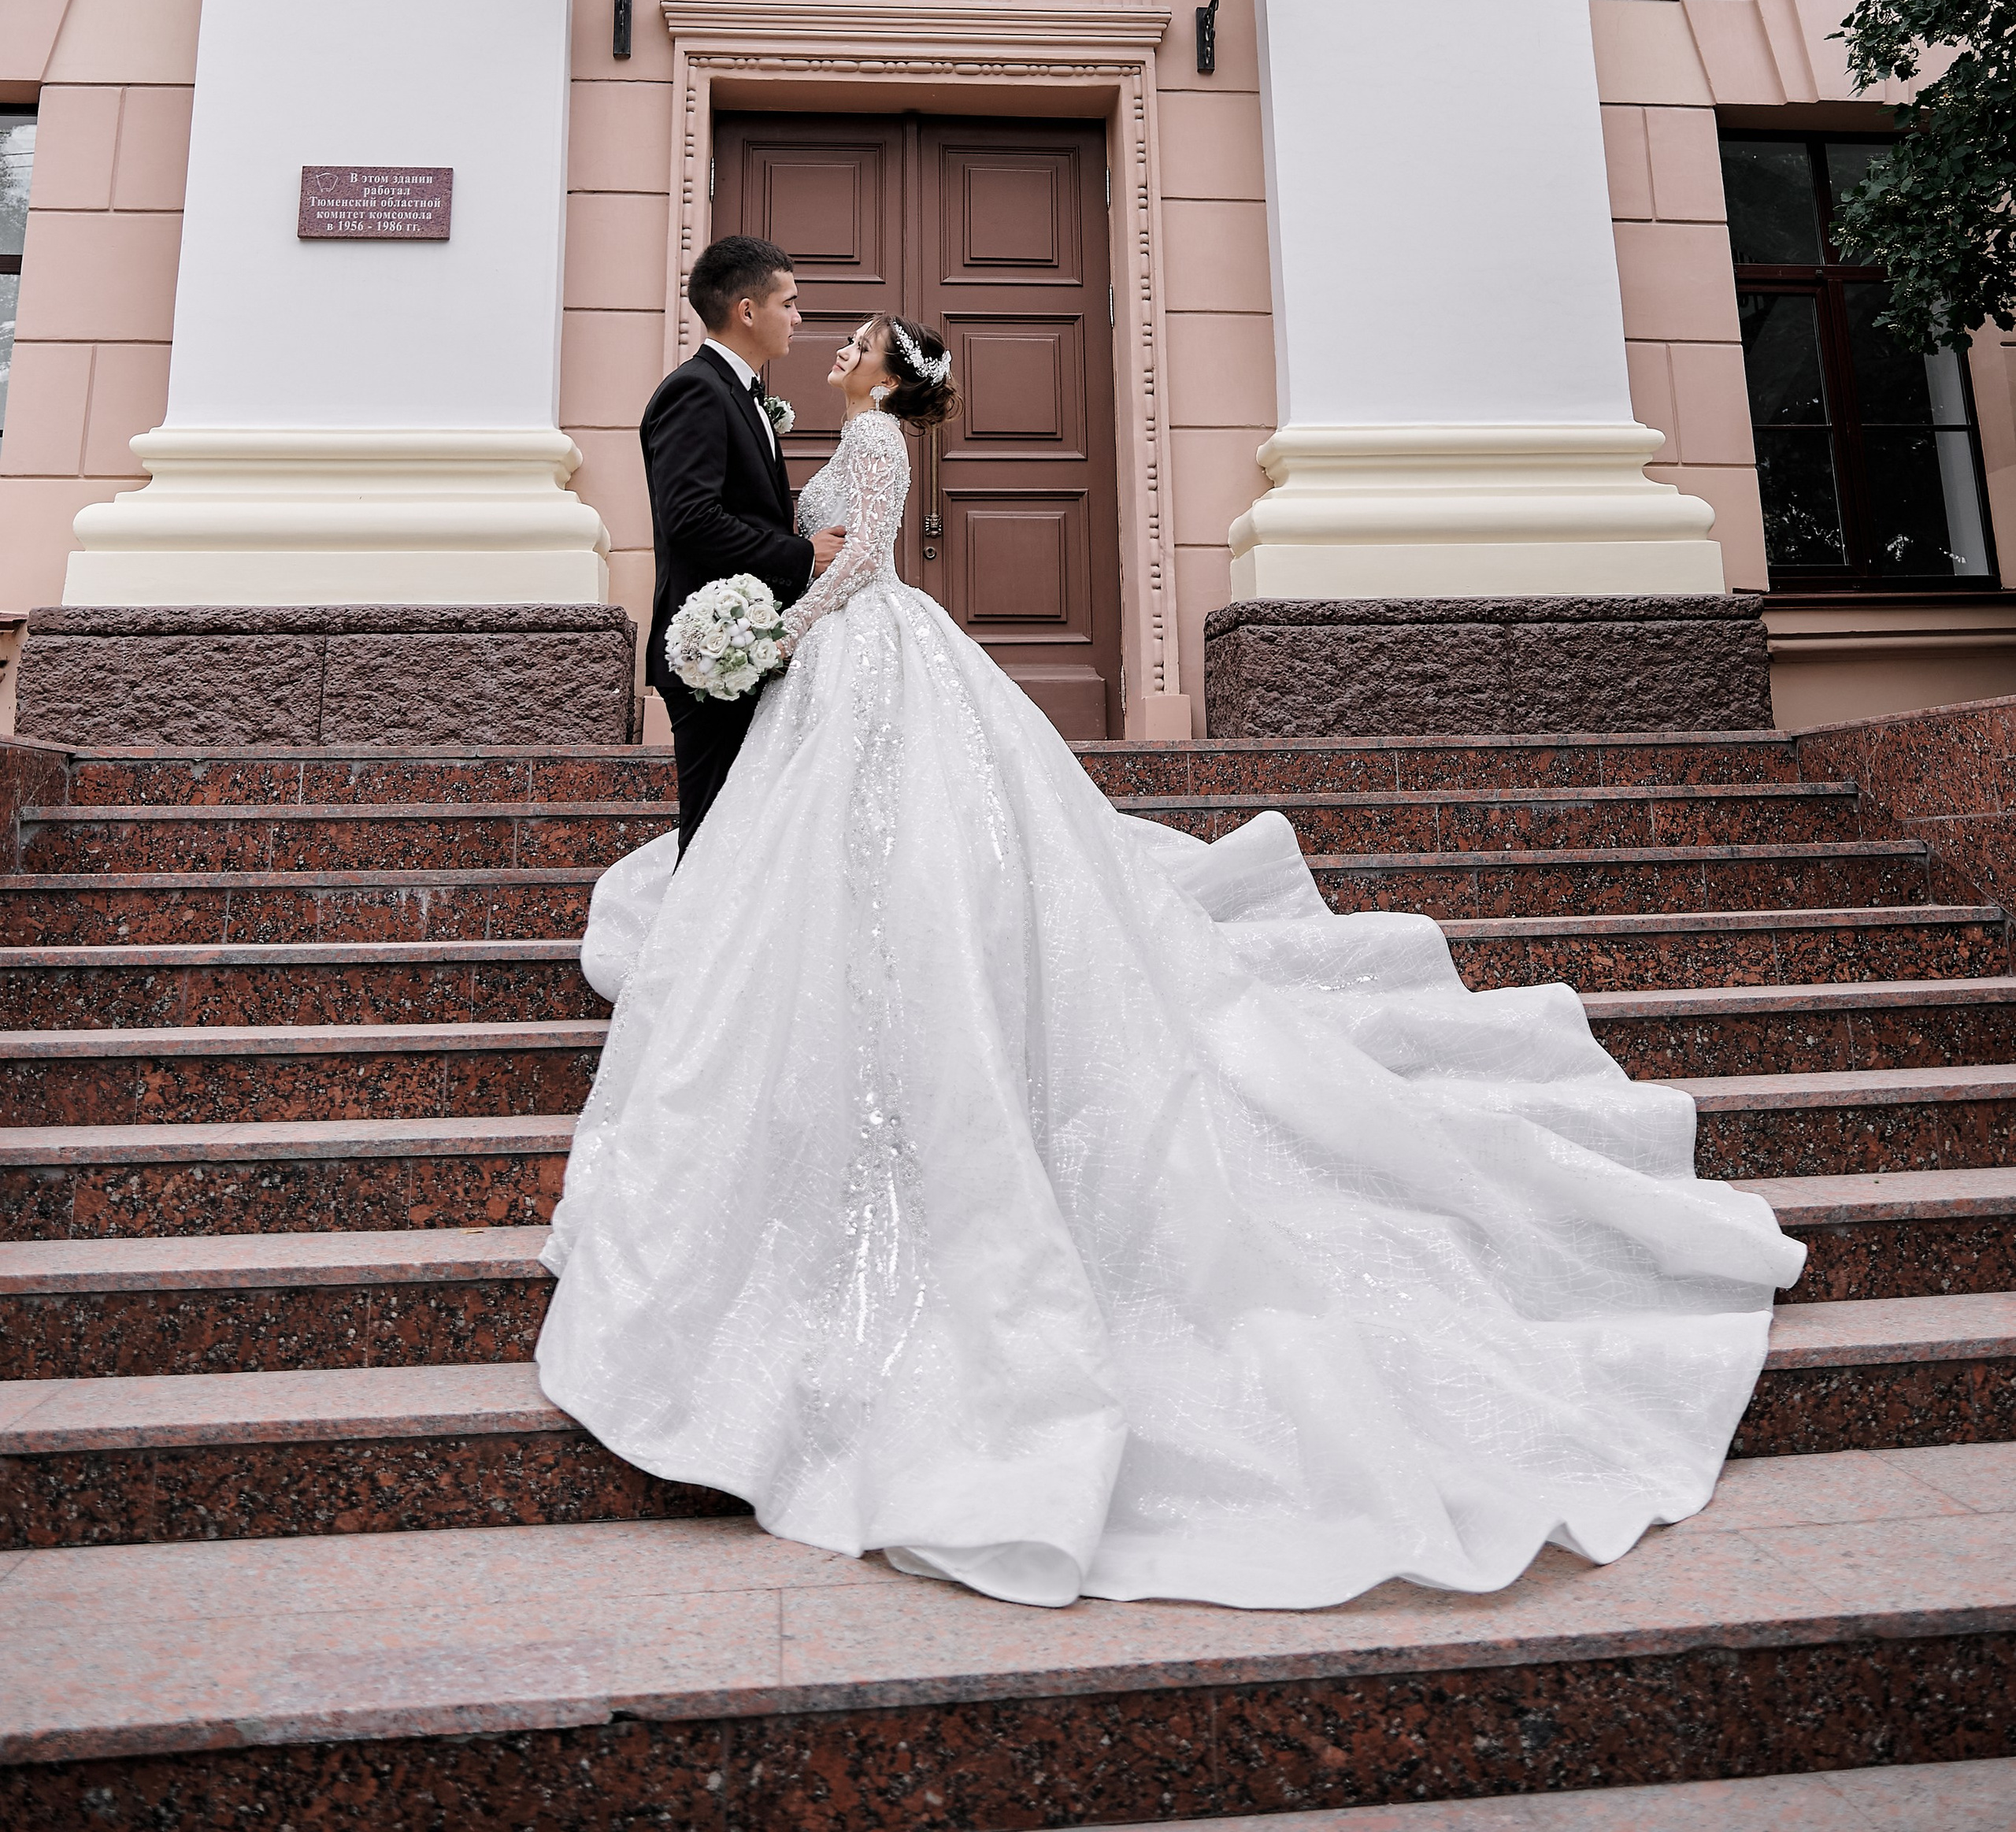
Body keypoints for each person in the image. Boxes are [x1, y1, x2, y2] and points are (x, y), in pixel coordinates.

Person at [541, 311, 1803, 1613]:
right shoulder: (852, 428)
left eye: (856, 335)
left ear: (886, 374)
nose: (836, 342)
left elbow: (856, 566)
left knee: (909, 855)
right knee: (875, 852)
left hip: (858, 655)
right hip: (868, 671)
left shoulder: (866, 435)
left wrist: (775, 638)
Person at [638, 233, 845, 851]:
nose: (799, 318)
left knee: (742, 840)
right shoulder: (696, 390)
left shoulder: (740, 392)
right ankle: (684, 949)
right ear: (747, 310)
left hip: (748, 646)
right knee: (711, 836)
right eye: (789, 302)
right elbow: (692, 519)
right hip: (713, 653)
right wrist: (802, 556)